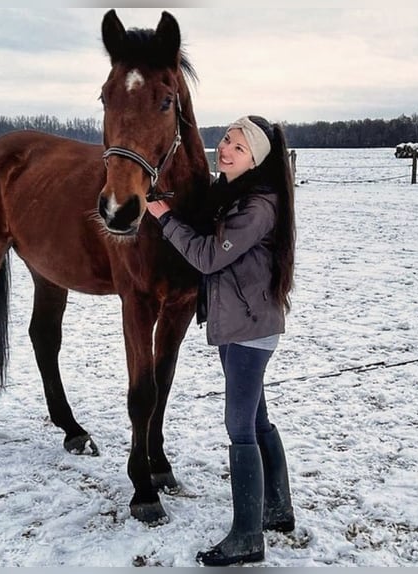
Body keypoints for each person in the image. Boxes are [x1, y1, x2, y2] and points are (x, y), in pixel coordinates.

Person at [147, 115, 296, 566]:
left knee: (240, 428)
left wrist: (165, 218)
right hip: (241, 325)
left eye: (238, 147)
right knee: (258, 419)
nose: (225, 149)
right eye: (226, 140)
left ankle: (248, 535)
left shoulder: (257, 207)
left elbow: (210, 257)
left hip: (251, 331)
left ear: (255, 160)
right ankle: (278, 509)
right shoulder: (233, 195)